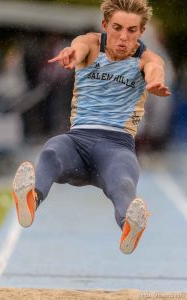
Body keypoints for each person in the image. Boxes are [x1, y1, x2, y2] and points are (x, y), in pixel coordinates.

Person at [12, 0, 171, 255]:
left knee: (122, 181)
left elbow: (154, 69)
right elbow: (79, 46)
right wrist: (71, 52)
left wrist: (154, 82)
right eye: (117, 28)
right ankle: (32, 198)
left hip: (116, 147)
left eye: (132, 31)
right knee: (52, 149)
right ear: (105, 25)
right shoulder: (91, 44)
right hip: (77, 143)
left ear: (141, 32)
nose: (123, 37)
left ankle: (130, 226)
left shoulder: (147, 58)